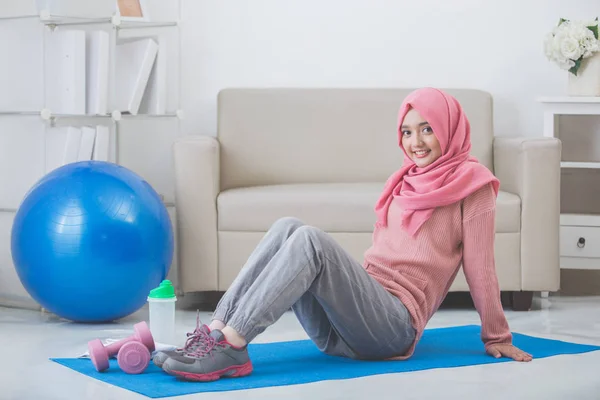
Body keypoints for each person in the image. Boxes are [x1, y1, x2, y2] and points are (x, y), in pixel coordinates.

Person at [155, 87, 533, 382]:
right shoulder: (404, 180)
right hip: (347, 327)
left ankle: (235, 345)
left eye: (428, 129)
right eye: (407, 131)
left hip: (392, 329)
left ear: (450, 129)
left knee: (311, 241)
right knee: (288, 226)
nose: (415, 142)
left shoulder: (473, 185)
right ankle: (216, 334)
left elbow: (481, 268)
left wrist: (496, 336)